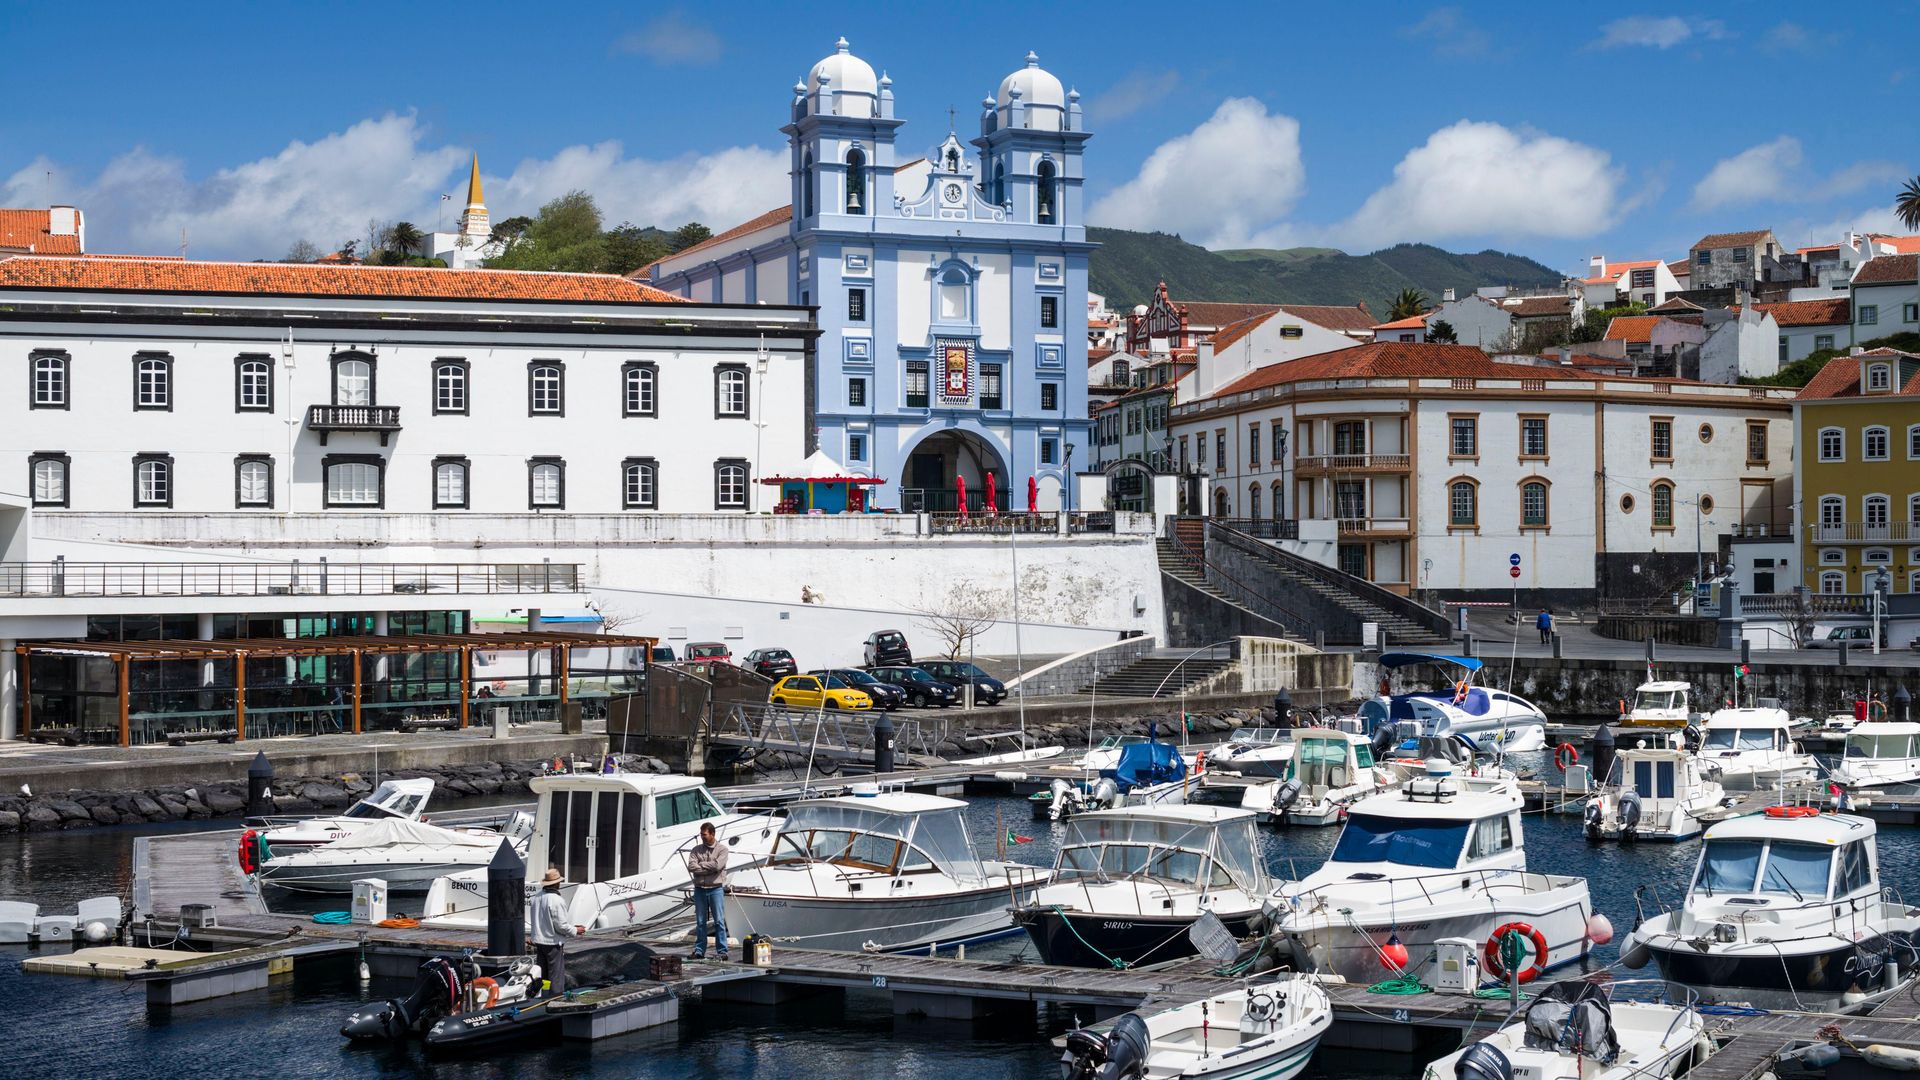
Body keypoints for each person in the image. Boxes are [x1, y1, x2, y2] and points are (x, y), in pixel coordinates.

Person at [529, 866, 583, 994]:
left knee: (542, 972)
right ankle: (556, 998)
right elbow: (561, 926)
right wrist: (575, 930)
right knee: (556, 975)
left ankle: (541, 996)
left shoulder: (536, 897)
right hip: (552, 942)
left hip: (539, 941)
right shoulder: (557, 900)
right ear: (557, 883)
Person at [686, 822, 730, 961]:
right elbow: (691, 867)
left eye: (704, 835)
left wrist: (701, 866)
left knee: (719, 921)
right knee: (700, 922)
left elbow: (718, 866)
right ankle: (699, 951)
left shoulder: (722, 849)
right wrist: (709, 868)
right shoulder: (695, 849)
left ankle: (722, 951)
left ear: (712, 834)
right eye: (701, 835)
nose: (702, 837)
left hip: (716, 889)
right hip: (700, 890)